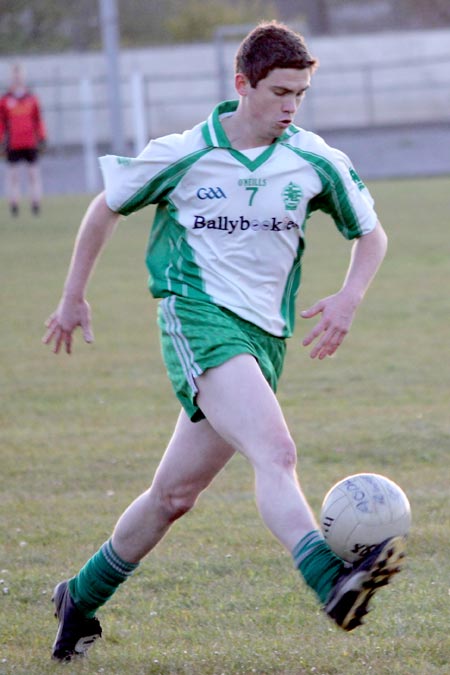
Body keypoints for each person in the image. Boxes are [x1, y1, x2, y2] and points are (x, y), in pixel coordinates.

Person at [43, 21, 405, 663]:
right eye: (279, 92)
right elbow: (105, 208)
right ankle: (331, 582)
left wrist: (349, 298)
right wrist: (73, 295)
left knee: (173, 498)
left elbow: (370, 235)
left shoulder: (313, 158)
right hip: (198, 318)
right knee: (277, 450)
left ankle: (81, 596)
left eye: (301, 94)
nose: (291, 107)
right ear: (242, 84)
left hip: (265, 338)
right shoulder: (184, 152)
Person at [0, 63, 47, 216]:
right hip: (13, 144)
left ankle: (36, 204)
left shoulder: (32, 99)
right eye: (15, 75)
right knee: (13, 176)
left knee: (33, 174)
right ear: (11, 77)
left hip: (30, 142)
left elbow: (38, 120)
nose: (17, 78)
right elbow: (1, 123)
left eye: (19, 75)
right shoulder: (5, 100)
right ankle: (14, 205)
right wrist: (1, 141)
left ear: (23, 77)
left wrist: (42, 137)